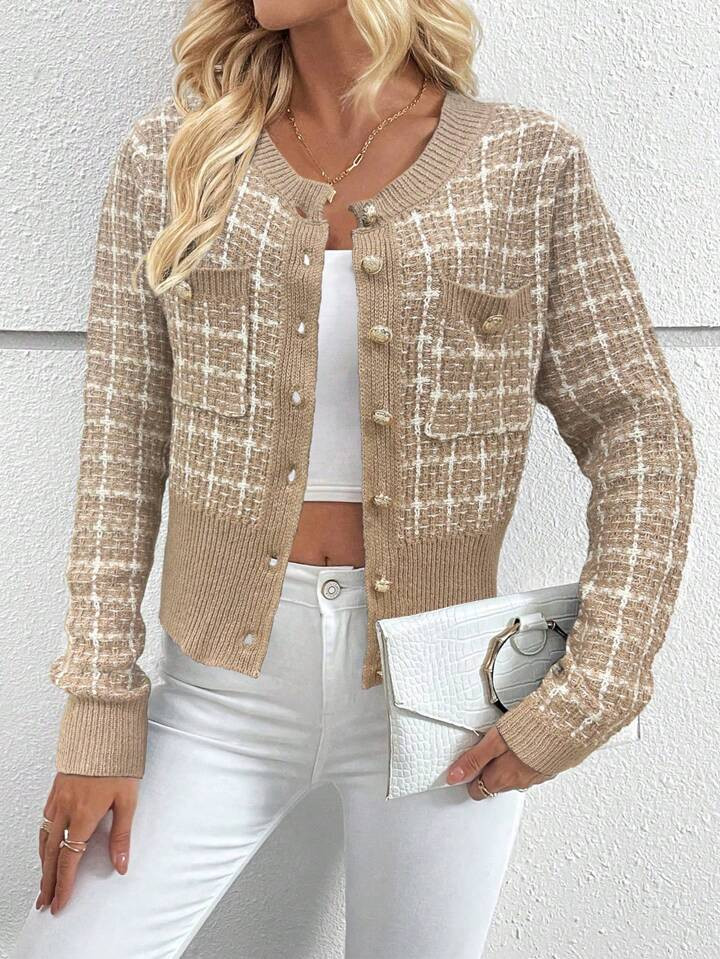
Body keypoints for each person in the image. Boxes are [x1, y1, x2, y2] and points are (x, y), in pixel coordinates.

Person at [12, 0, 696, 956]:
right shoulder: (174, 157)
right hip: (215, 698)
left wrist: (599, 683)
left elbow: (639, 427)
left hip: (443, 708)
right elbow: (121, 446)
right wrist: (99, 708)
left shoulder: (524, 163)